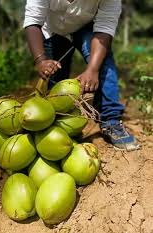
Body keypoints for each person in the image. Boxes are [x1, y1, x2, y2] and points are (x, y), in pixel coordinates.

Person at [23, 0, 139, 151]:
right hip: (51, 29)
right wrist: (41, 60)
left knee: (102, 63)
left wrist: (92, 69)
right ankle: (60, 125)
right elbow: (33, 20)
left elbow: (104, 28)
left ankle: (111, 120)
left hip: (87, 29)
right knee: (54, 82)